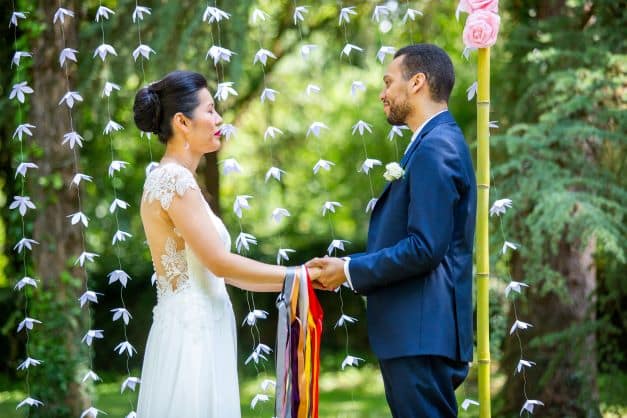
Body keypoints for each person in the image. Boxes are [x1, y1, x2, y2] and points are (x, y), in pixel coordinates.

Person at [133, 70, 318, 418]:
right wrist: (297, 273)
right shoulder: (173, 180)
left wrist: (297, 280)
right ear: (182, 122)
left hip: (205, 325)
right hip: (192, 336)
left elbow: (225, 273)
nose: (219, 119)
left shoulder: (179, 179)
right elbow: (221, 263)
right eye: (210, 110)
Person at [307, 44, 477, 417]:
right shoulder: (431, 143)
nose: (382, 93)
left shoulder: (436, 147)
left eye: (389, 81)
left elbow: (424, 247)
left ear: (417, 82)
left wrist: (349, 271)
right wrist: (347, 265)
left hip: (421, 333)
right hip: (419, 331)